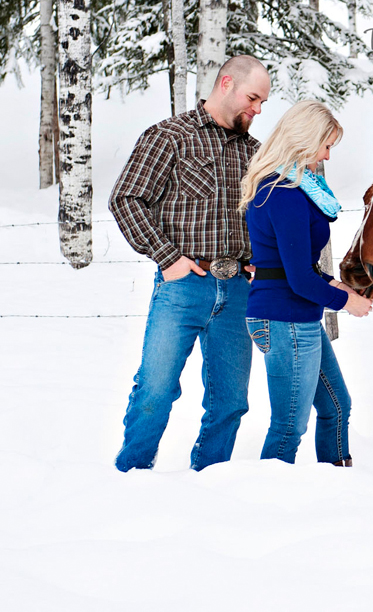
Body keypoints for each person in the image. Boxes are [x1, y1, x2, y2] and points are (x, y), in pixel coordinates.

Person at [110, 55, 272, 471]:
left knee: (232, 401)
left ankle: (208, 481)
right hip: (183, 285)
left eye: (262, 103)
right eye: (253, 98)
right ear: (226, 84)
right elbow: (126, 199)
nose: (257, 109)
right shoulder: (169, 137)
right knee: (155, 390)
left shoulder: (255, 152)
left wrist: (257, 257)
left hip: (237, 290)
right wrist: (168, 258)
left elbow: (261, 216)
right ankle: (130, 476)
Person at [240, 100, 373, 466]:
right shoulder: (283, 193)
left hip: (295, 315)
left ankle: (336, 483)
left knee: (336, 405)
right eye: (326, 145)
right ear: (304, 140)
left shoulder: (289, 188)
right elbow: (297, 278)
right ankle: (269, 504)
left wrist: (335, 284)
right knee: (288, 426)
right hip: (286, 318)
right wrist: (348, 303)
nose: (328, 156)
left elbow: (293, 265)